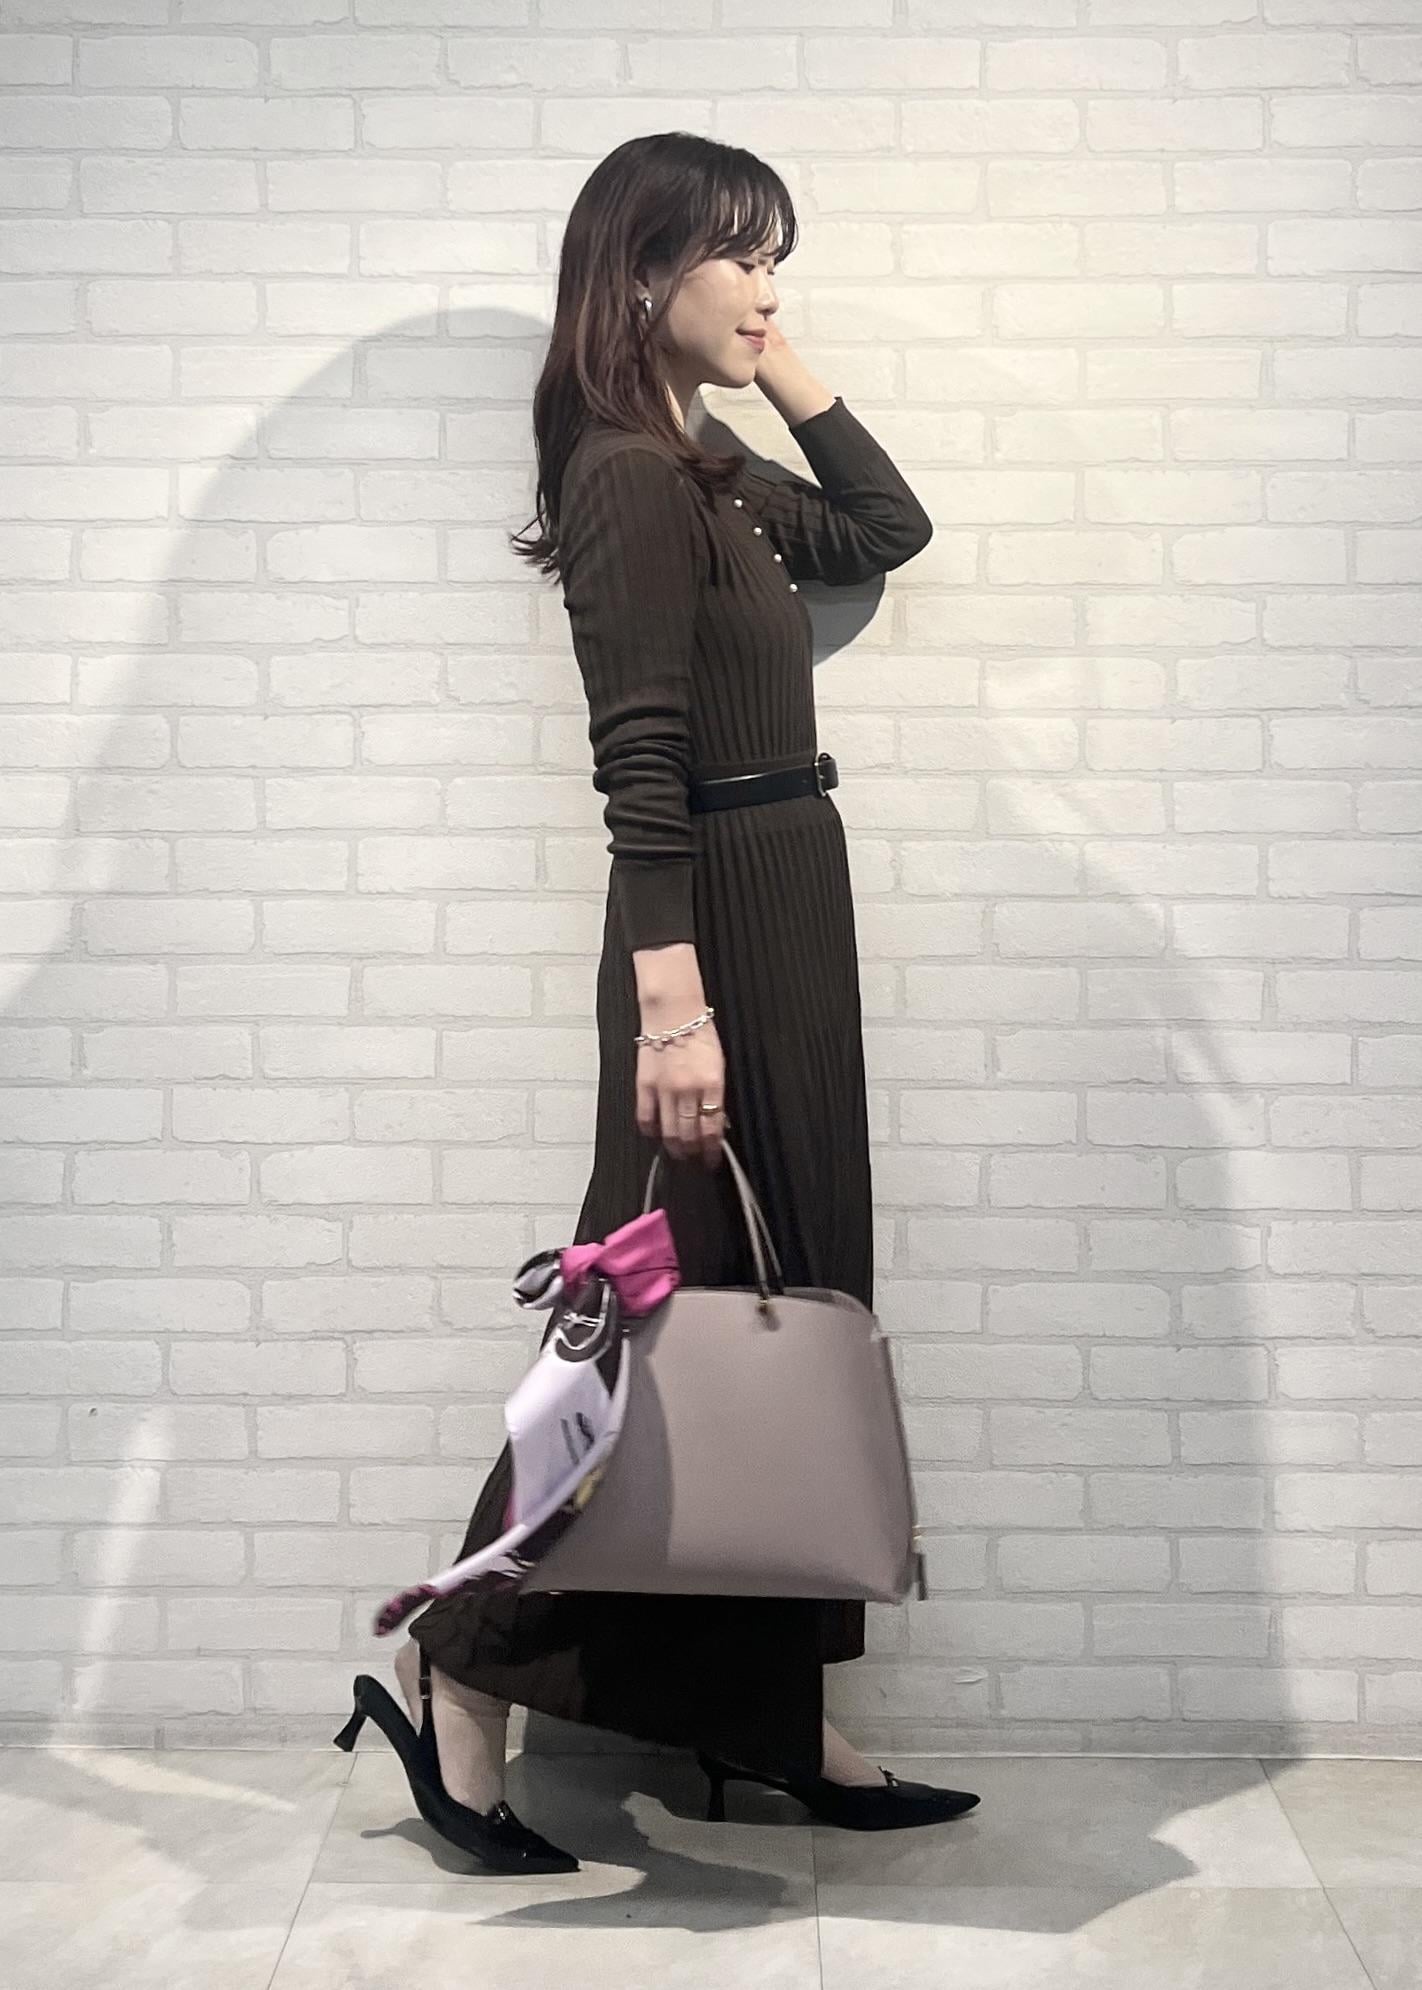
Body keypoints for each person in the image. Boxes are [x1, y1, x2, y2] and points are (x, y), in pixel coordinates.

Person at [338, 132, 980, 1872]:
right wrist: (673, 1012)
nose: (771, 286)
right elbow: (638, 758)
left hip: (790, 897)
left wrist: (766, 359)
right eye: (741, 257)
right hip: (710, 922)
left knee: (787, 1302)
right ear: (640, 272)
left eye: (777, 257)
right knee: (640, 1320)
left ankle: (765, 1714)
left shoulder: (704, 467)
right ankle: (460, 1661)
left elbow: (888, 526)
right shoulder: (625, 473)